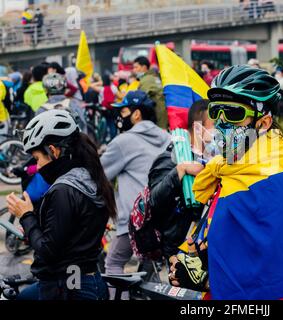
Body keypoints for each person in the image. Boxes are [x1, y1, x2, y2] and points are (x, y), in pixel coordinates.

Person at [168, 65, 283, 300]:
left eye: (234, 113)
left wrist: (208, 277)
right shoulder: (229, 170)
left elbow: (275, 266)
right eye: (216, 112)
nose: (222, 123)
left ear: (264, 123)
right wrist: (193, 259)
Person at [6, 110, 115, 300]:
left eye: (38, 159)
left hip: (70, 286)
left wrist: (26, 215)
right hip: (86, 279)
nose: (38, 167)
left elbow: (48, 251)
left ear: (53, 151)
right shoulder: (89, 177)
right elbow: (69, 236)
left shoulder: (63, 190)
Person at [100, 90, 171, 293]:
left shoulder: (123, 142)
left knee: (113, 263)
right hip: (164, 218)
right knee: (149, 264)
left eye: (123, 111)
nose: (120, 117)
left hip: (137, 219)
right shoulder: (166, 137)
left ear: (137, 114)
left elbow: (98, 174)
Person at [147, 99, 215, 259]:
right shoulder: (171, 158)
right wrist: (180, 169)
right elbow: (154, 201)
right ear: (198, 128)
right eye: (215, 126)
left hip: (203, 244)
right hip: (176, 249)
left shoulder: (213, 158)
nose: (221, 131)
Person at [134, 56, 167, 129]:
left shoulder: (146, 80)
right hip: (162, 116)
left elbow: (139, 99)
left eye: (136, 67)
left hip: (156, 118)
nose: (134, 70)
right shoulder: (154, 77)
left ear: (144, 67)